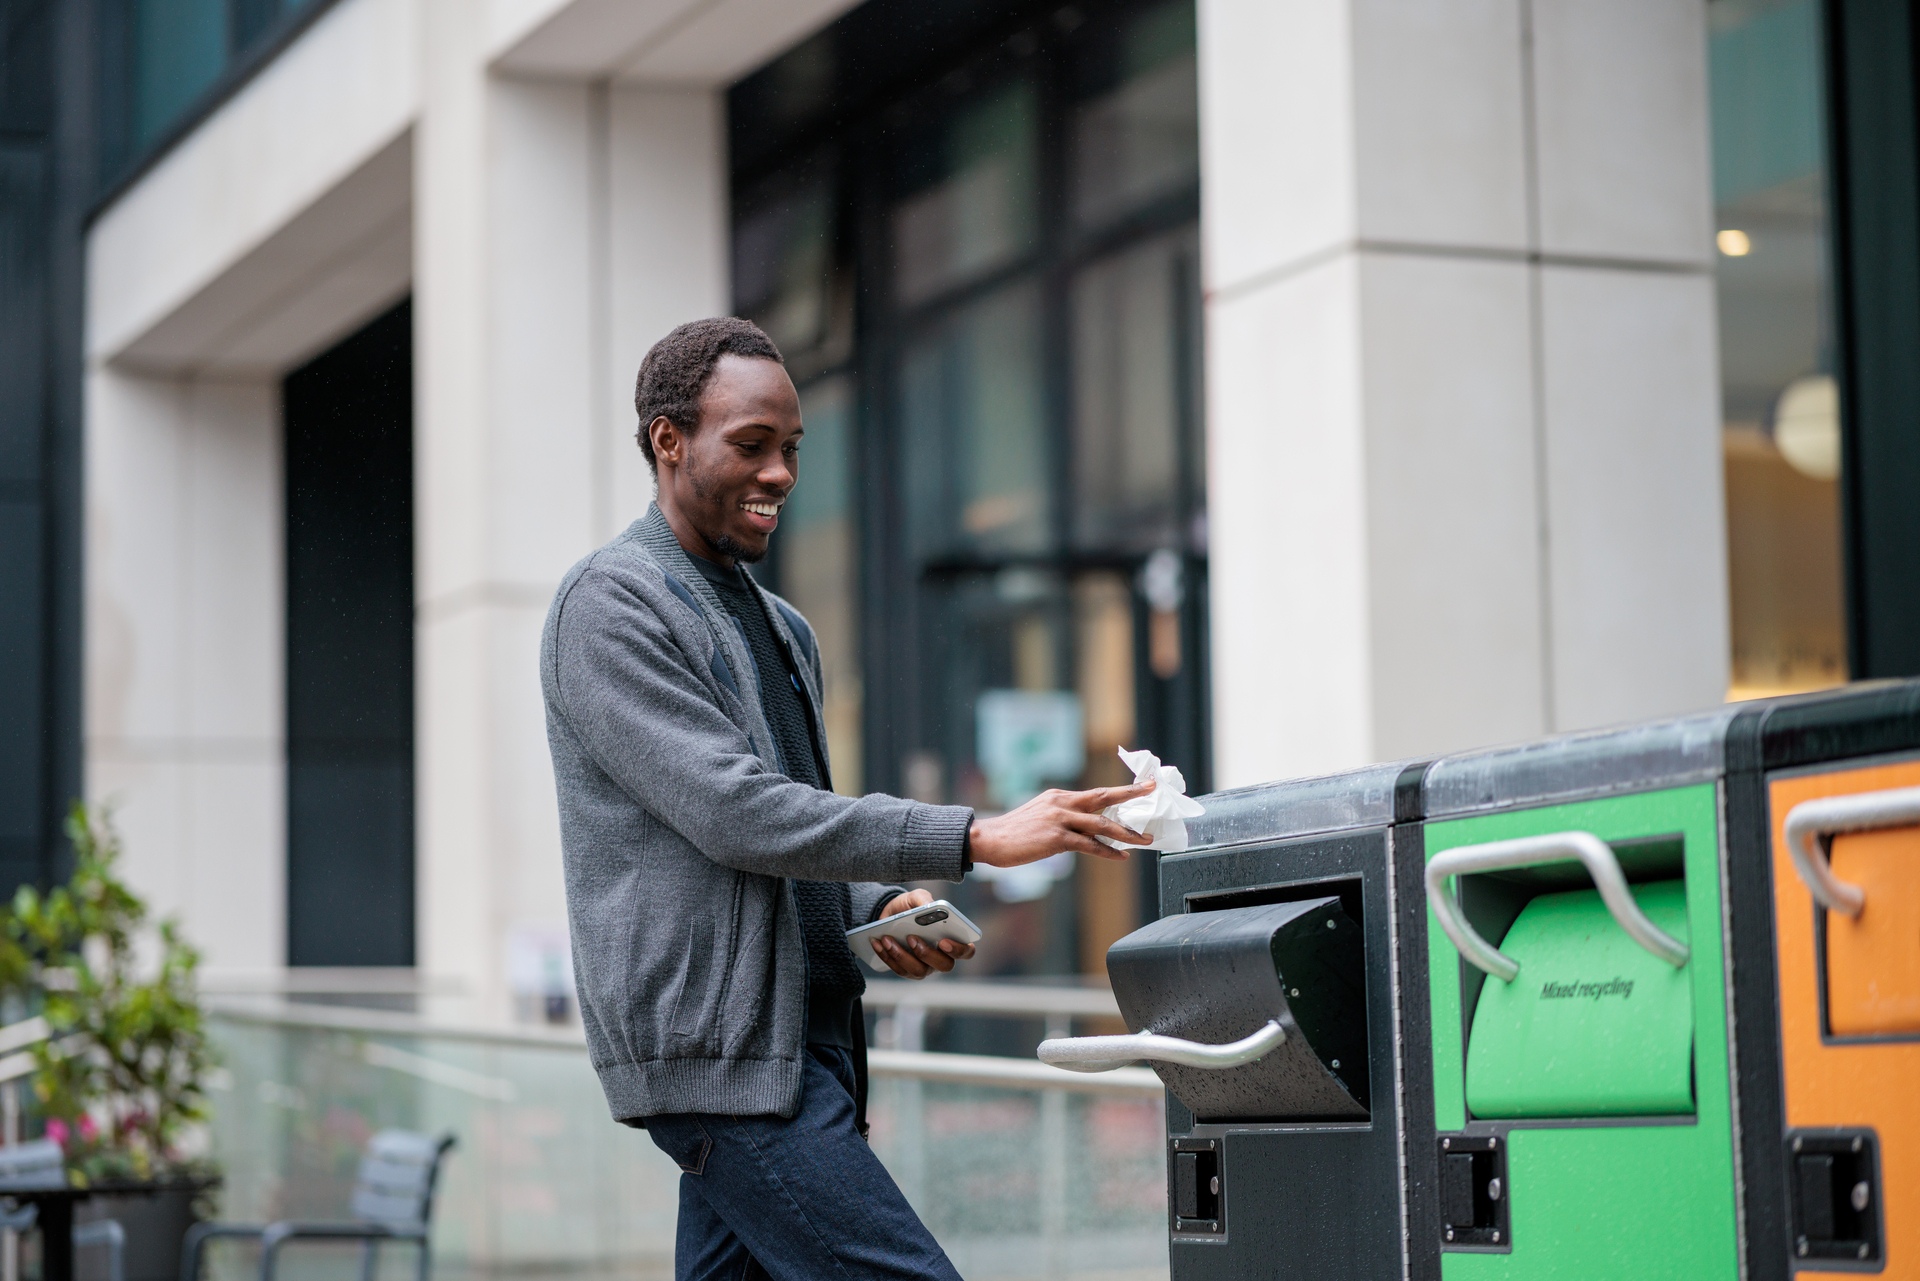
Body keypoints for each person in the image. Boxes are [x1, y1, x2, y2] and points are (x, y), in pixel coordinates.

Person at [540, 317, 1156, 1281]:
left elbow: (781, 847)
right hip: (729, 1063)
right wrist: (976, 836)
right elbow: (736, 812)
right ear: (669, 440)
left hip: (812, 1041)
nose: (781, 472)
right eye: (751, 444)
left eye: (790, 448)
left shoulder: (783, 629)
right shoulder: (611, 605)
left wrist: (874, 907)